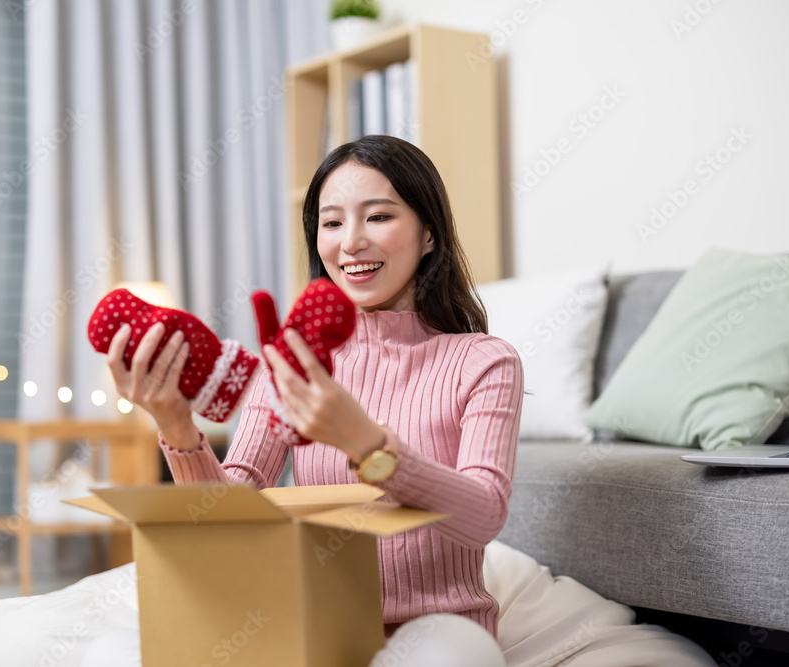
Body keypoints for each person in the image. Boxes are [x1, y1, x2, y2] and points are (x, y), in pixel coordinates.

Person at [106, 135, 523, 666]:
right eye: (331, 223)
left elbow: (485, 515)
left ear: (429, 235)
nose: (350, 243)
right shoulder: (289, 360)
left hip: (440, 630)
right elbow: (228, 510)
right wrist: (176, 426)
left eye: (378, 217)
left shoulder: (483, 361)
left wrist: (364, 442)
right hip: (314, 619)